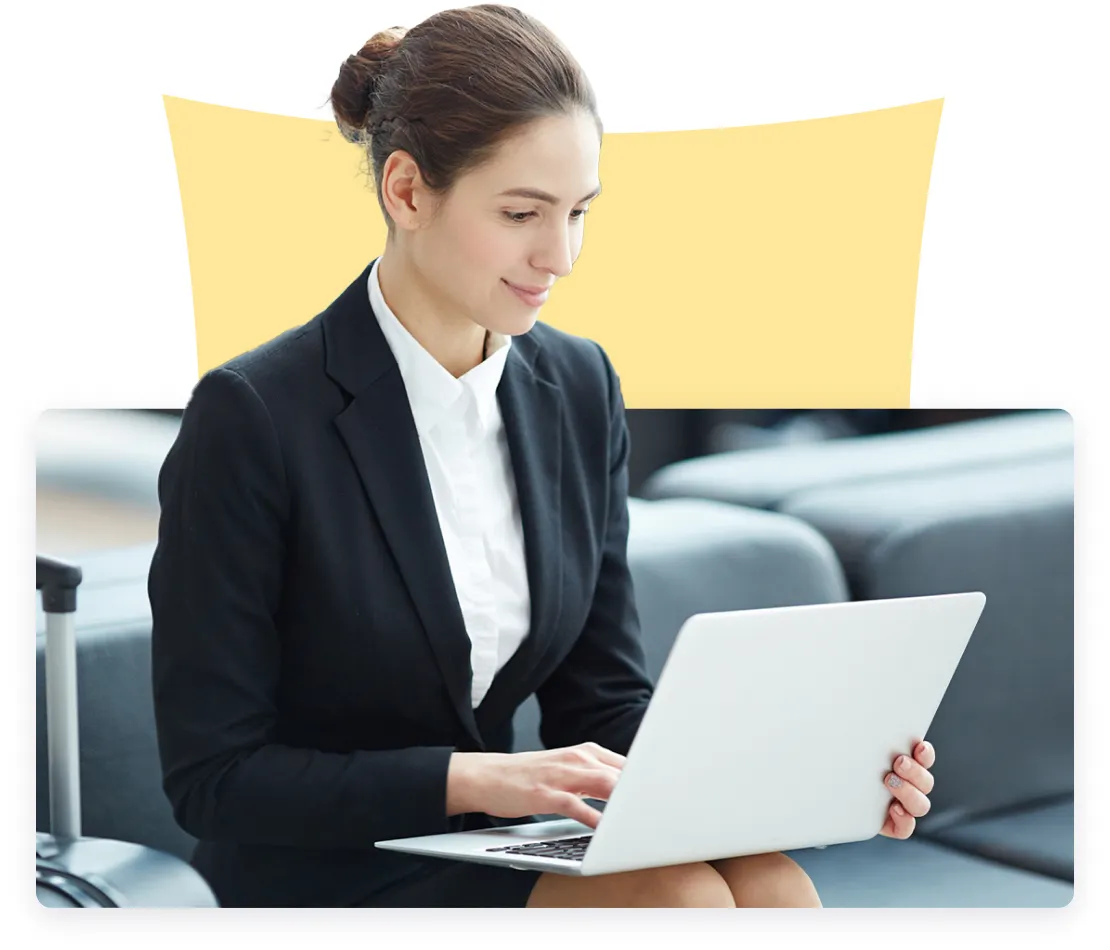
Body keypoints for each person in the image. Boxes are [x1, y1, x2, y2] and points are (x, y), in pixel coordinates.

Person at [148, 3, 935, 909]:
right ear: (405, 192)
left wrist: (809, 776)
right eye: (522, 212)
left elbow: (599, 703)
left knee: (772, 883)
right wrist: (477, 779)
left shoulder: (577, 385)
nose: (559, 256)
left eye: (578, 213)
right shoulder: (252, 415)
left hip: (506, 834)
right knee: (680, 905)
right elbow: (216, 777)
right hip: (326, 865)